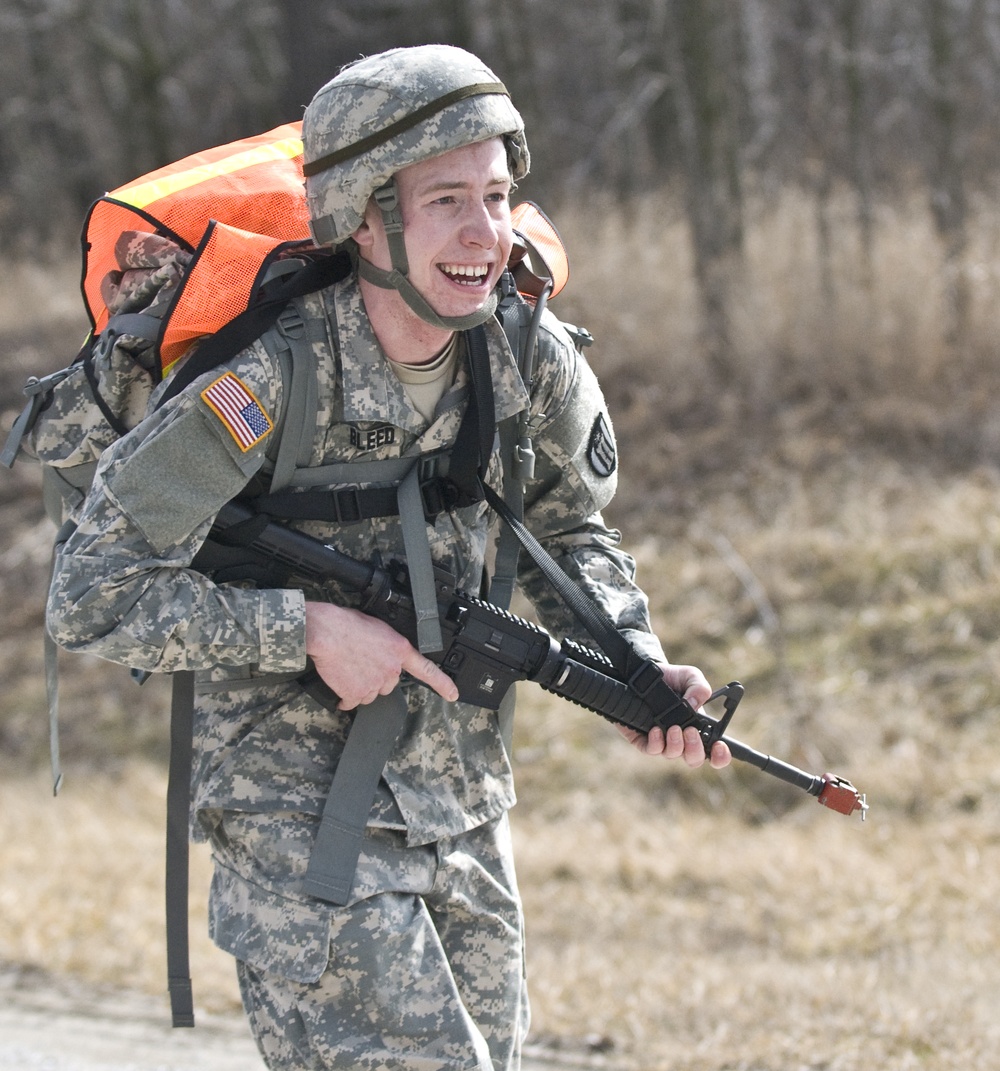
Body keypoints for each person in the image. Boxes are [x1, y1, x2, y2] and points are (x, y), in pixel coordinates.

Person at [46, 44, 731, 1071]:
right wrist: (307, 629)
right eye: (445, 199)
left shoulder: (522, 353)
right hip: (294, 812)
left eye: (497, 197)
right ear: (364, 220)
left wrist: (637, 661)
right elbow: (91, 594)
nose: (483, 234)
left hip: (459, 799)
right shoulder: (267, 384)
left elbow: (573, 529)